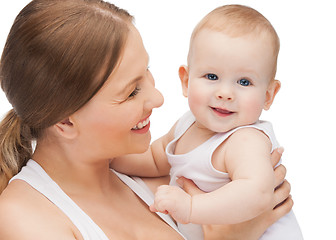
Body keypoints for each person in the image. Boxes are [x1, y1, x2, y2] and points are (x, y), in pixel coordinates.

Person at [0, 1, 293, 239]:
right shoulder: (24, 219)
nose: (158, 99)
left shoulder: (169, 182)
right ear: (65, 121)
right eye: (132, 92)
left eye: (147, 71)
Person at [111, 4, 303, 240]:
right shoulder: (187, 125)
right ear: (186, 80)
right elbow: (154, 159)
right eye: (212, 76)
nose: (225, 93)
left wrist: (192, 207)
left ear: (268, 95)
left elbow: (258, 192)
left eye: (244, 82)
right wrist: (111, 157)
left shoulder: (246, 139)